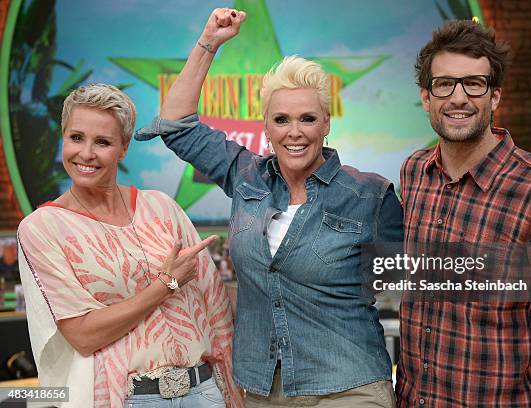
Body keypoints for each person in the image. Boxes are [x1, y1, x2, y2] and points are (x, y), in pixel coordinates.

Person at [135, 8, 403, 407]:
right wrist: (209, 41)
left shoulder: (370, 196)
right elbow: (176, 124)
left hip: (351, 386)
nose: (294, 132)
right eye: (282, 119)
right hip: (263, 390)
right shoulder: (245, 176)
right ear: (266, 126)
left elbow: (419, 286)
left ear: (326, 123)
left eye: (307, 119)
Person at [396, 20, 531, 406]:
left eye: (474, 83)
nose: (459, 98)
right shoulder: (415, 172)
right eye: (444, 84)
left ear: (494, 96)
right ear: (426, 98)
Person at [17, 84, 242, 407]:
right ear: (62, 137)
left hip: (204, 392)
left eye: (103, 142)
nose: (86, 154)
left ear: (123, 148)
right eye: (76, 138)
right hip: (129, 398)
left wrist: (232, 394)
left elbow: (215, 308)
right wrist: (165, 284)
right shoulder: (42, 228)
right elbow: (82, 335)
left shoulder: (162, 207)